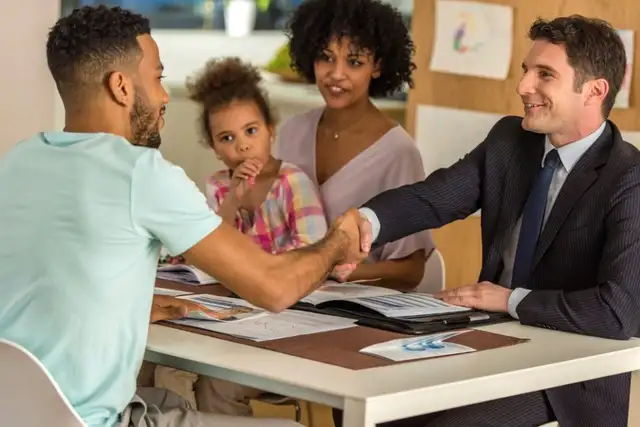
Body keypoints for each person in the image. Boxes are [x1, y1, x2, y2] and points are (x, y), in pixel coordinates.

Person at [0, 6, 366, 427]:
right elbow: (275, 288)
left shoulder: (18, 161)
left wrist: (129, 307)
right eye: (157, 77)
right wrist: (338, 242)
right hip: (92, 421)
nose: (164, 96)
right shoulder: (139, 172)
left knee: (168, 398)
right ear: (121, 86)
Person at [348, 15, 640, 427]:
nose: (523, 86)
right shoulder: (509, 140)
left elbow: (618, 312)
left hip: (566, 380)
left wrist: (508, 300)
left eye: (544, 74)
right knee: (376, 407)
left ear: (595, 90)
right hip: (483, 342)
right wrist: (363, 224)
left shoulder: (629, 178)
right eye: (525, 70)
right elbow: (434, 198)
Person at [155, 57, 328, 414]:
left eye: (251, 131)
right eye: (227, 138)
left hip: (288, 314)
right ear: (214, 148)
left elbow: (314, 256)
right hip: (232, 312)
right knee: (165, 367)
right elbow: (211, 250)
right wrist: (233, 199)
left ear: (271, 130)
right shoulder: (218, 186)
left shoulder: (292, 182)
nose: (243, 146)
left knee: (214, 384)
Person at [275, 0, 435, 292]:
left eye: (354, 62)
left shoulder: (398, 153)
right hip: (285, 296)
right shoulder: (292, 132)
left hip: (353, 305)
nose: (337, 74)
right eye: (326, 57)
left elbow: (411, 270)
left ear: (378, 66)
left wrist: (335, 272)